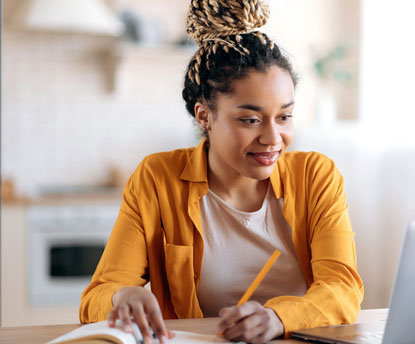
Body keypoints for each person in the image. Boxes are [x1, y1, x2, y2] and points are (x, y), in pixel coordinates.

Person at [79, 1, 364, 343]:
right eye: (250, 119)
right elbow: (97, 296)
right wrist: (121, 297)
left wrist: (277, 318)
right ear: (204, 117)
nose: (273, 139)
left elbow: (343, 288)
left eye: (284, 117)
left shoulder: (316, 176)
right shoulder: (157, 179)